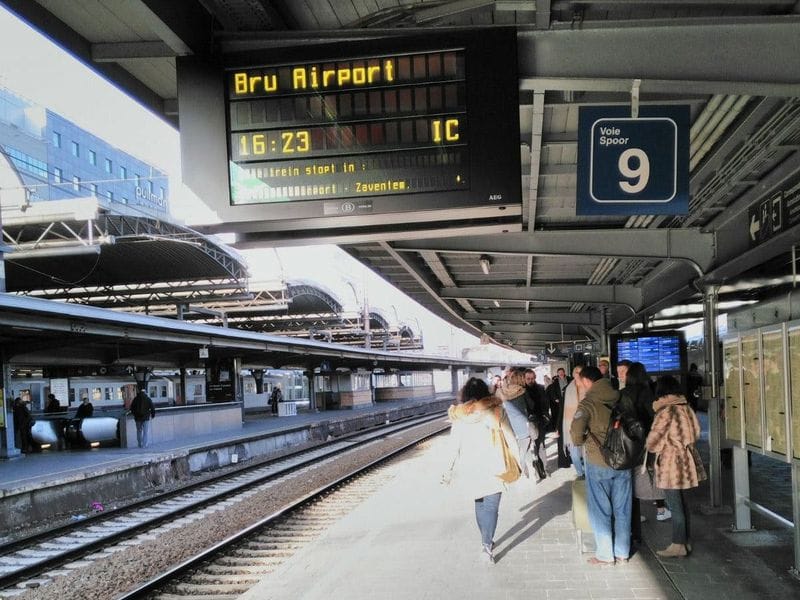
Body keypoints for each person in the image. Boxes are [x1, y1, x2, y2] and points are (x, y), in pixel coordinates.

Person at [441, 377, 521, 564]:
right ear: (485, 392)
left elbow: (453, 447)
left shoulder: (459, 417)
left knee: (479, 503)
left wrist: (447, 470)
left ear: (465, 394)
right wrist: (519, 462)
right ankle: (486, 544)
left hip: (471, 467)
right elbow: (510, 436)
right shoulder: (497, 410)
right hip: (494, 465)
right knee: (492, 506)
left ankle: (485, 541)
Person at [571, 365, 632, 566]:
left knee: (600, 509)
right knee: (623, 509)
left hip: (599, 460)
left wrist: (583, 441)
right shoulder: (620, 396)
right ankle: (622, 553)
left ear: (587, 381)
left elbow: (576, 433)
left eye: (581, 382)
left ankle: (605, 555)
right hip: (623, 460)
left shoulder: (588, 402)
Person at [646, 375, 703, 558]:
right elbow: (696, 433)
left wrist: (654, 447)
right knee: (683, 504)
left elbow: (654, 441)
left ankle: (678, 544)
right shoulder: (686, 408)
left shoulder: (666, 411)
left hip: (671, 462)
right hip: (686, 461)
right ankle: (685, 541)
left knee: (674, 505)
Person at [620, 362, 665, 542]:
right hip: (645, 442)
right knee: (646, 473)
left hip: (626, 443)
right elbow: (655, 417)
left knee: (629, 482)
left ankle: (633, 527)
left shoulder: (623, 394)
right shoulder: (647, 393)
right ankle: (660, 507)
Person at [496, 368, 533, 479]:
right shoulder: (522, 391)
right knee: (525, 450)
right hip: (523, 426)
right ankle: (528, 472)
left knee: (517, 449)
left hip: (508, 426)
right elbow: (531, 406)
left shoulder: (501, 392)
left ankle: (522, 471)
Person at [523, 368, 549, 481]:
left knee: (541, 445)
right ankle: (536, 470)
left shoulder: (541, 388)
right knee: (531, 448)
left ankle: (544, 468)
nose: (530, 380)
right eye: (528, 378)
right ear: (524, 379)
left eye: (532, 378)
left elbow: (546, 404)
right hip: (528, 422)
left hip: (540, 420)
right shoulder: (521, 391)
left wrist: (545, 416)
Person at [562, 365, 585, 478]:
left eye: (581, 372)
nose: (578, 374)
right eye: (576, 372)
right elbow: (565, 408)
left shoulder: (588, 385)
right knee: (574, 453)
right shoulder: (569, 388)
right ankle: (580, 473)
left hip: (585, 422)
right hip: (570, 423)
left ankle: (587, 473)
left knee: (586, 452)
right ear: (573, 373)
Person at [546, 367, 571, 468]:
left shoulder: (570, 380)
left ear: (564, 372)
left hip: (569, 405)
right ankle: (566, 458)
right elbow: (552, 393)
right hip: (560, 407)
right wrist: (556, 399)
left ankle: (569, 457)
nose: (561, 373)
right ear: (557, 373)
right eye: (559, 372)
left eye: (562, 372)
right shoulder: (554, 384)